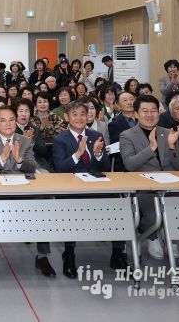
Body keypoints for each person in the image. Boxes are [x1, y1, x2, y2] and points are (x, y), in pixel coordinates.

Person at [52, 99, 125, 276]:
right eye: (74, 114)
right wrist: (78, 153)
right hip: (71, 187)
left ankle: (118, 253)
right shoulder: (60, 139)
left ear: (88, 116)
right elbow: (60, 168)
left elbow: (105, 166)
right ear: (67, 117)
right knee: (69, 208)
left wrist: (98, 153)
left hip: (96, 184)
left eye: (82, 114)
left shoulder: (95, 135)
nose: (79, 118)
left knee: (119, 204)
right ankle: (69, 253)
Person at [120, 95, 179, 261]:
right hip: (144, 188)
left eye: (153, 111)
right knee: (153, 212)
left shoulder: (167, 132)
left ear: (159, 112)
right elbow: (130, 164)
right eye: (145, 111)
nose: (149, 115)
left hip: (171, 186)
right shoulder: (127, 135)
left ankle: (170, 236)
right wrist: (150, 148)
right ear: (136, 114)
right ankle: (152, 236)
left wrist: (172, 146)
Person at [0, 104, 37, 276]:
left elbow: (32, 167)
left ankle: (42, 256)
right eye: (3, 121)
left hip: (22, 190)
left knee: (42, 207)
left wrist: (20, 161)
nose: (8, 124)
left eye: (12, 120)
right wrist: (2, 159)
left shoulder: (25, 141)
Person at [108, 91, 137, 171]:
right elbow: (121, 146)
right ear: (118, 105)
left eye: (131, 99)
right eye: (125, 100)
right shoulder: (114, 124)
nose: (129, 102)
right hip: (125, 164)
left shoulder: (144, 119)